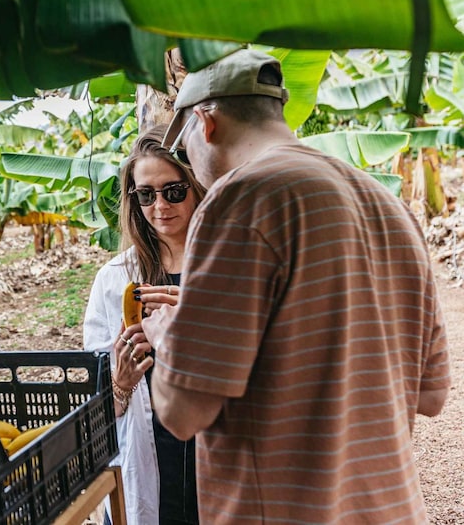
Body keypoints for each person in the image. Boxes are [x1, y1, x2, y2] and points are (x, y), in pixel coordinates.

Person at [142, 48, 451, 524]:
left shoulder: (240, 197)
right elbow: (430, 394)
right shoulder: (389, 206)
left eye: (182, 146)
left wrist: (170, 335)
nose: (187, 159)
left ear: (205, 123)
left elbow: (182, 411)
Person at [83, 124, 207, 525]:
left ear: (197, 186)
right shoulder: (115, 279)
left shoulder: (228, 268)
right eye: (145, 195)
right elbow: (98, 406)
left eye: (173, 191)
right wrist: (120, 382)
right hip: (149, 453)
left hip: (216, 450)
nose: (159, 207)